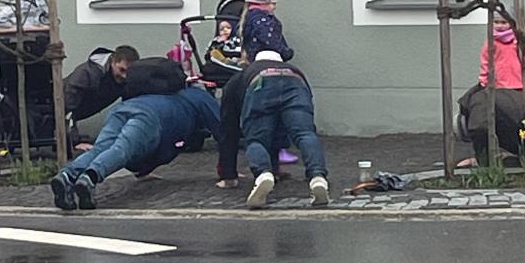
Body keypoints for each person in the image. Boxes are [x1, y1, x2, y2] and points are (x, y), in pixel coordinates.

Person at [50, 87, 220, 210]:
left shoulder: (167, 92)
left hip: (124, 108)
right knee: (122, 149)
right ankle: (90, 178)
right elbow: (223, 129)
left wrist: (142, 171)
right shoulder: (201, 98)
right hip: (150, 118)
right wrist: (228, 171)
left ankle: (67, 175)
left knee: (100, 148)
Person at [218, 51, 329, 208]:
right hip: (296, 84)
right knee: (305, 134)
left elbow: (228, 127)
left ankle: (263, 174)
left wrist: (228, 174)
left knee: (257, 139)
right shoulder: (294, 70)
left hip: (260, 85)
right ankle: (317, 177)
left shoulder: (244, 74)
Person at [238, 0, 299, 165]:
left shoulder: (250, 18)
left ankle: (268, 148)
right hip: (270, 66)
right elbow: (272, 41)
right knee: (277, 108)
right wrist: (286, 52)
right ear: (264, 2)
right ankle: (277, 148)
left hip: (256, 67)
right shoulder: (263, 20)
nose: (274, 7)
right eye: (272, 3)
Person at [63, 45, 139, 147]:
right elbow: (67, 109)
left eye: (128, 72)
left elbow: (128, 108)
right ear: (113, 62)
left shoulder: (127, 80)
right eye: (121, 70)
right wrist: (74, 142)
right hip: (54, 105)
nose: (124, 76)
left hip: (72, 112)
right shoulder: (87, 73)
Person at [479, 7, 525, 89]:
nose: (500, 25)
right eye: (496, 22)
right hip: (498, 83)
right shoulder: (491, 41)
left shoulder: (520, 40)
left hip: (520, 82)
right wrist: (483, 79)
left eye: (504, 22)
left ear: (511, 23)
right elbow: (485, 61)